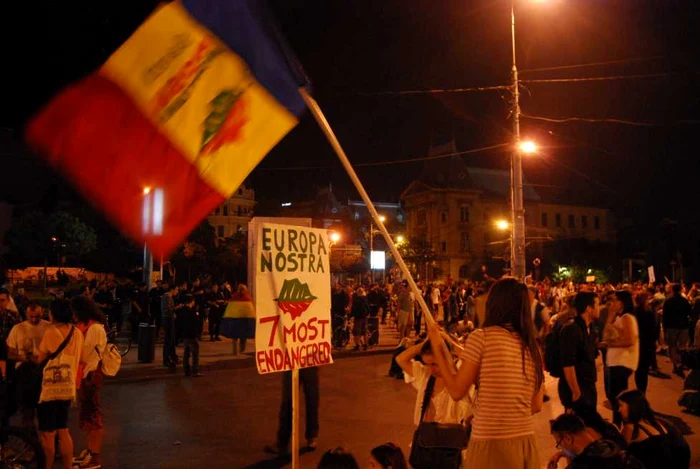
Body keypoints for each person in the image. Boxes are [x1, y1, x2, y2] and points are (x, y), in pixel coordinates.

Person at [428, 278, 544, 468]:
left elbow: (457, 391)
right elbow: (536, 405)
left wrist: (437, 346)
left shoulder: (482, 337)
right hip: (525, 443)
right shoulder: (533, 347)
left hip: (491, 444)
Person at [34, 299, 84, 469]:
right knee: (63, 428)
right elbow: (81, 358)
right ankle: (68, 467)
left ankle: (46, 467)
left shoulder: (51, 332)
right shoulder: (77, 333)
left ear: (54, 314)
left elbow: (40, 358)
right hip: (67, 386)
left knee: (48, 433)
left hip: (50, 388)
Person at [396, 338, 472, 426]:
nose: (430, 369)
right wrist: (428, 341)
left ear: (450, 358)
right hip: (427, 436)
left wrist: (448, 343)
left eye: (434, 364)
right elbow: (401, 359)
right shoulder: (425, 376)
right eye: (427, 364)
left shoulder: (462, 380)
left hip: (454, 436)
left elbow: (469, 359)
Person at [618, 389, 690, 469]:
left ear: (632, 407)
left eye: (621, 405)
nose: (619, 410)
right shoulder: (656, 422)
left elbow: (618, 451)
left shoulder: (630, 428)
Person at [6, 302, 50, 428]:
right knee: (27, 411)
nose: (34, 319)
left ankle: (46, 439)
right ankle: (29, 440)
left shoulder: (49, 327)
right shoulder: (17, 329)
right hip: (24, 373)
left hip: (43, 371)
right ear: (26, 314)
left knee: (45, 410)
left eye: (37, 316)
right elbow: (10, 353)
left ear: (42, 313)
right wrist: (24, 357)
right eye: (31, 317)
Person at [600, 291, 639, 427]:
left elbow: (630, 340)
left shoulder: (627, 317)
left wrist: (609, 344)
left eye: (615, 300)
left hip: (622, 362)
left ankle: (623, 426)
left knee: (618, 398)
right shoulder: (619, 317)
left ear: (622, 302)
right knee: (614, 397)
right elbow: (606, 333)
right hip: (616, 362)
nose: (612, 303)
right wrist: (611, 314)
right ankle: (618, 425)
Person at [547, 413, 642, 469]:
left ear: (568, 438)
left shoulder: (580, 466)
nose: (562, 448)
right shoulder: (613, 448)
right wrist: (561, 453)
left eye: (559, 444)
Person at [558, 292, 600, 413]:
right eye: (597, 304)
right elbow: (567, 364)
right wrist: (576, 392)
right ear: (588, 308)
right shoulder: (571, 329)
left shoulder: (590, 329)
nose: (599, 307)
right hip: (577, 389)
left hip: (588, 386)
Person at [264, 367, 320, 457]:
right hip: (294, 361)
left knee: (311, 399)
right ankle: (283, 442)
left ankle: (311, 436)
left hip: (307, 360)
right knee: (290, 401)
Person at [663, 283, 692, 378]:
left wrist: (664, 327)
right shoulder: (685, 301)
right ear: (680, 290)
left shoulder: (668, 301)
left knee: (672, 346)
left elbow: (665, 315)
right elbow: (689, 312)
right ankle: (681, 362)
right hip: (683, 326)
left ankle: (675, 364)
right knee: (682, 346)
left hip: (671, 326)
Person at [220, 284, 255, 355]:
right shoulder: (246, 297)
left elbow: (230, 309)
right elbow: (250, 310)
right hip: (243, 320)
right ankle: (240, 350)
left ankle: (235, 351)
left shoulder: (234, 297)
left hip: (235, 319)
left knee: (236, 337)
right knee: (241, 336)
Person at [176, 294, 202, 377]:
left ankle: (186, 370)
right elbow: (196, 323)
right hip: (192, 334)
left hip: (185, 334)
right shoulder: (192, 312)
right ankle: (195, 370)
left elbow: (179, 323)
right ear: (191, 301)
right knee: (195, 353)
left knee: (186, 353)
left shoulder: (181, 311)